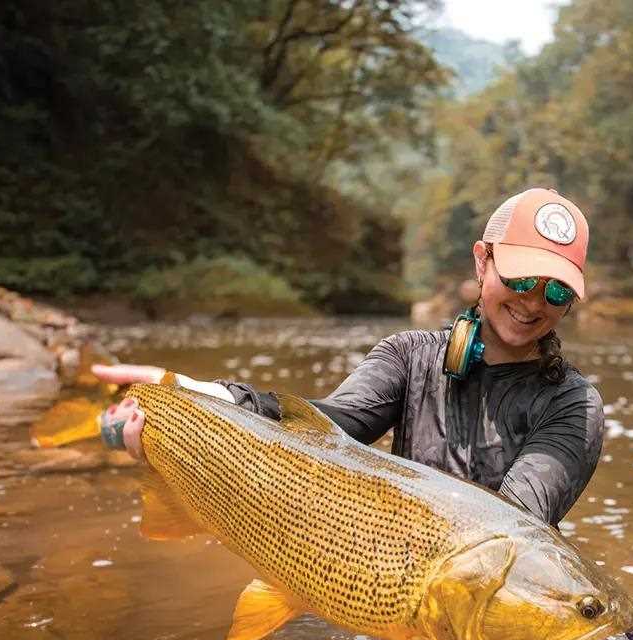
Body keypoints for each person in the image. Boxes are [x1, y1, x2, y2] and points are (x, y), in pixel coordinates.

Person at [95, 188, 604, 527]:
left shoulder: (573, 406)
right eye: (518, 279)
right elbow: (321, 427)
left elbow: (513, 528)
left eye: (556, 292)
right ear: (481, 260)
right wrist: (181, 395)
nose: (534, 303)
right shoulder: (408, 357)